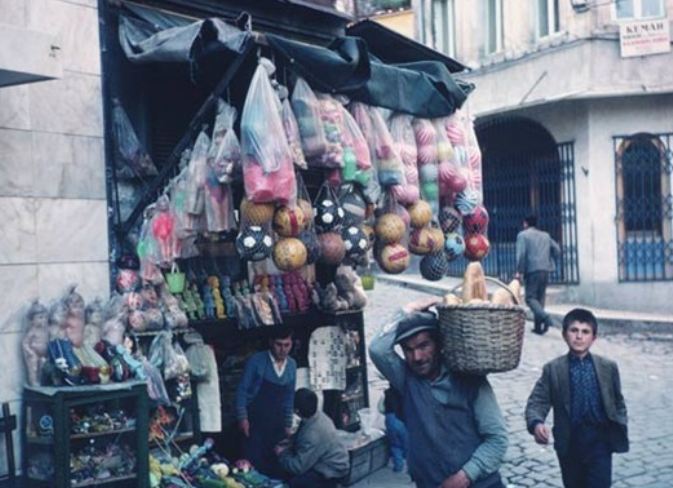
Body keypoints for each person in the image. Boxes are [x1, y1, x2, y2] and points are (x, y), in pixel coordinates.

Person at [369, 297, 508, 488]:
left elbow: (497, 440)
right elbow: (377, 348)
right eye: (408, 350)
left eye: (423, 346)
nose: (417, 357)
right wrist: (407, 309)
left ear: (439, 344)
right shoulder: (406, 380)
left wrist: (465, 476)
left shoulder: (470, 380)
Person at [525, 308, 628, 488]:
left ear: (593, 338)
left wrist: (619, 422)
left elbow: (618, 401)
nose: (579, 336)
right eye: (574, 331)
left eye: (585, 332)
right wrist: (536, 423)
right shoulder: (553, 369)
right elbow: (538, 401)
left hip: (600, 442)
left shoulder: (608, 367)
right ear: (565, 335)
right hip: (570, 442)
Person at [236, 326, 296, 476]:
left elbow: (289, 398)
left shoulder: (292, 366)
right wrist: (242, 418)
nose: (283, 350)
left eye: (287, 345)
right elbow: (242, 391)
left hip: (278, 423)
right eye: (279, 344)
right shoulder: (256, 361)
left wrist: (288, 425)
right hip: (255, 421)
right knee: (254, 462)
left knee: (275, 463)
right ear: (271, 343)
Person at [275, 388, 349, 488]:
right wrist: (290, 441)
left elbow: (298, 467)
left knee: (295, 482)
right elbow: (301, 433)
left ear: (297, 411)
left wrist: (282, 454)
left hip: (334, 471)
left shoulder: (313, 434)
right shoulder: (315, 415)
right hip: (331, 460)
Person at [515, 214, 561, 334]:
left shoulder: (523, 235)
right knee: (540, 299)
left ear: (525, 223)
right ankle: (538, 327)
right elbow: (557, 250)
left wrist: (519, 271)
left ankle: (545, 318)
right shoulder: (546, 235)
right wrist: (549, 258)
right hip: (545, 269)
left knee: (530, 298)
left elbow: (522, 255)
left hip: (532, 270)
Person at [383, 387, 408, 473]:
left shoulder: (387, 393)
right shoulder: (404, 392)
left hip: (389, 419)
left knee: (395, 445)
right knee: (407, 445)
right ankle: (409, 467)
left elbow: (381, 408)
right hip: (401, 420)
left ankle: (398, 467)